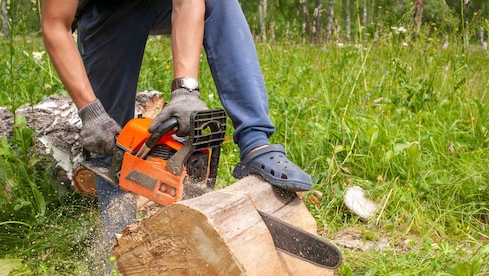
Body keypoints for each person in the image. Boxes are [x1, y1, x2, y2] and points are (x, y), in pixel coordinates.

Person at [41, 0, 312, 246]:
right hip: (105, 14)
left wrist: (185, 91)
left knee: (220, 2)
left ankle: (256, 143)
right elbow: (55, 24)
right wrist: (90, 111)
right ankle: (119, 244)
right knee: (107, 143)